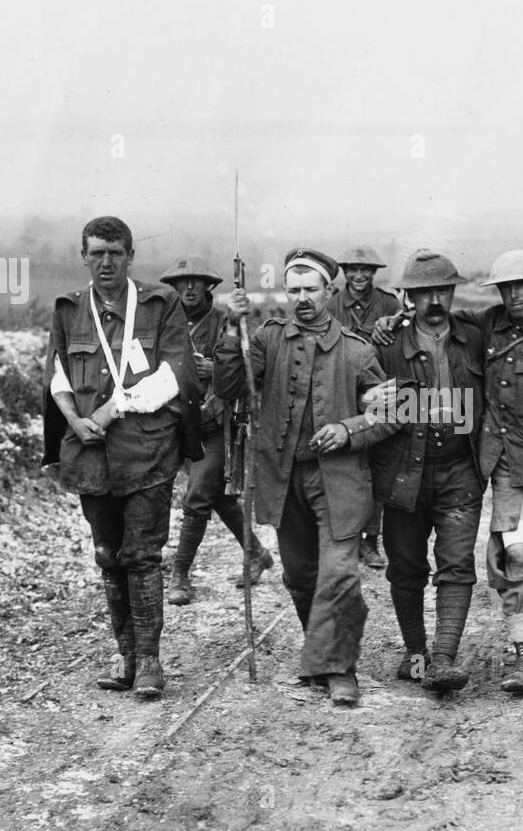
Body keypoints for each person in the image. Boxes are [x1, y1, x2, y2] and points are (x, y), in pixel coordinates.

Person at [380, 250, 523, 692]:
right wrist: (392, 320)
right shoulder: (486, 327)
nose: (514, 294)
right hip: (503, 469)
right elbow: (436, 316)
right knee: (514, 558)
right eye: (506, 287)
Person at [214, 248, 397, 705]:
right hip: (282, 477)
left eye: (310, 290)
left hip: (339, 481)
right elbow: (228, 387)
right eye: (293, 290)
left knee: (338, 575)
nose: (301, 299)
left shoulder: (358, 351)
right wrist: (228, 327)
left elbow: (393, 411)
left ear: (329, 291)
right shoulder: (266, 340)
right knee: (300, 576)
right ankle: (324, 655)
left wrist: (348, 429)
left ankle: (339, 669)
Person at [42, 216, 201, 699]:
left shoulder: (160, 304)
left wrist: (113, 409)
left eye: (115, 252)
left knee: (142, 554)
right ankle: (126, 655)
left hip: (146, 451)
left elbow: (175, 374)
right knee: (107, 554)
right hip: (90, 454)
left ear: (131, 255)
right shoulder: (69, 309)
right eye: (96, 253)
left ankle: (150, 661)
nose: (105, 261)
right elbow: (56, 372)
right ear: (83, 256)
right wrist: (72, 418)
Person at [368, 250, 485, 693]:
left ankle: (443, 658)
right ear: (409, 298)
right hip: (403, 473)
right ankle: (414, 654)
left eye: (442, 290)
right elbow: (366, 391)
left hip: (460, 470)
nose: (434, 300)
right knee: (406, 566)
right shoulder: (386, 344)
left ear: (453, 292)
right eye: (423, 292)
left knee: (456, 565)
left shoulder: (475, 337)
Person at [157, 257, 274, 605]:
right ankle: (256, 554)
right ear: (175, 287)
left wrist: (215, 368)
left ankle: (180, 575)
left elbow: (250, 368)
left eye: (197, 281)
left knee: (197, 498)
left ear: (208, 286)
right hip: (179, 420)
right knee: (218, 496)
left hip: (218, 423)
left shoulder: (227, 320)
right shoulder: (168, 322)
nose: (189, 288)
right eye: (183, 282)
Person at [327, 245, 400, 571]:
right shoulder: (330, 305)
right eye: (353, 269)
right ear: (344, 271)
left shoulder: (389, 303)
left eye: (366, 270)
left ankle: (371, 541)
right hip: (340, 391)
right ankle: (346, 538)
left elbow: (403, 344)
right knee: (345, 467)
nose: (359, 276)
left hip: (379, 390)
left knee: (377, 466)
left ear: (374, 272)